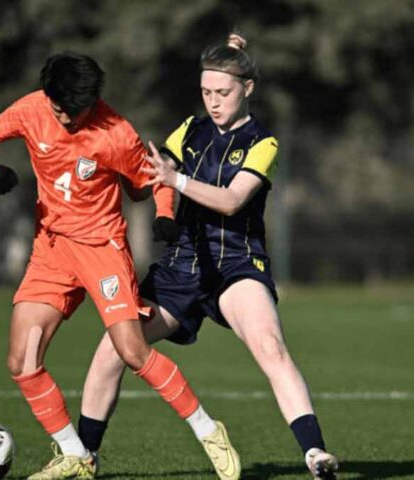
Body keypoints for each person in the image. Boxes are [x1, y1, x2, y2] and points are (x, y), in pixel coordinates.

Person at [0, 52, 240, 480]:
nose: (65, 119)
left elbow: (153, 181)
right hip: (51, 250)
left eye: (74, 112)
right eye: (58, 109)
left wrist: (165, 213)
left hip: (102, 250)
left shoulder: (116, 133)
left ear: (92, 102)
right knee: (22, 361)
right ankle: (77, 457)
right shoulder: (31, 108)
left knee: (132, 351)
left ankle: (208, 431)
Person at [77, 34, 340, 479]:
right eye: (206, 92)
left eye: (223, 92)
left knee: (271, 347)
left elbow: (232, 200)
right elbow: (153, 173)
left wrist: (174, 181)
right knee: (113, 349)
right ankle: (84, 456)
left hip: (236, 265)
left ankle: (315, 453)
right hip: (181, 267)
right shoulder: (190, 129)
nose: (213, 102)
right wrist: (113, 166)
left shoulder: (264, 143)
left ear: (248, 88)